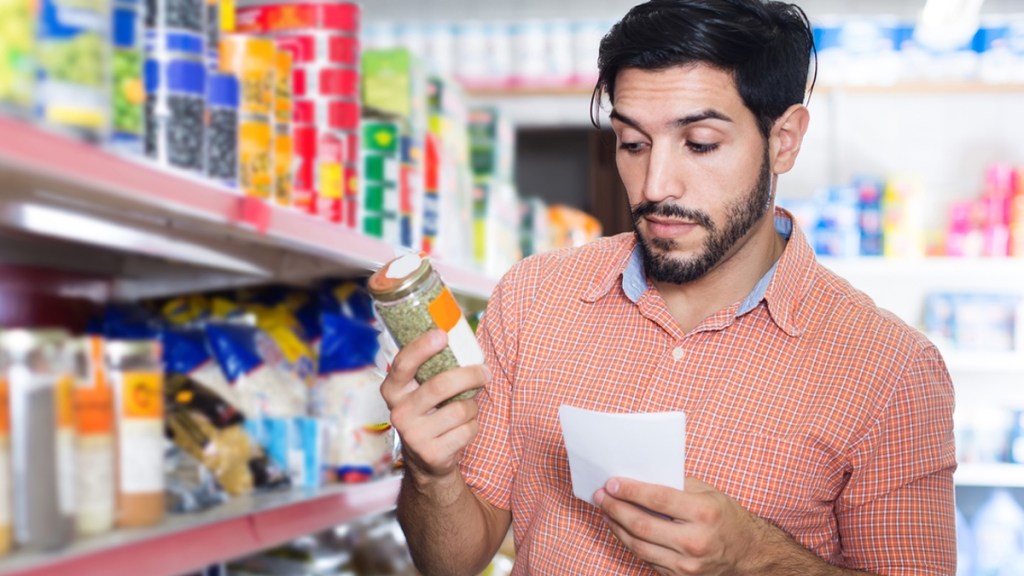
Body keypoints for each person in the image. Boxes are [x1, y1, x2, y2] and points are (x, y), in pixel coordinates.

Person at [380, 1, 957, 574]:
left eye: (700, 143)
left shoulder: (892, 371)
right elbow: (452, 562)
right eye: (633, 144)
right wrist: (432, 476)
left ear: (784, 139)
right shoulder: (532, 298)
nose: (655, 185)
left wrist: (756, 555)